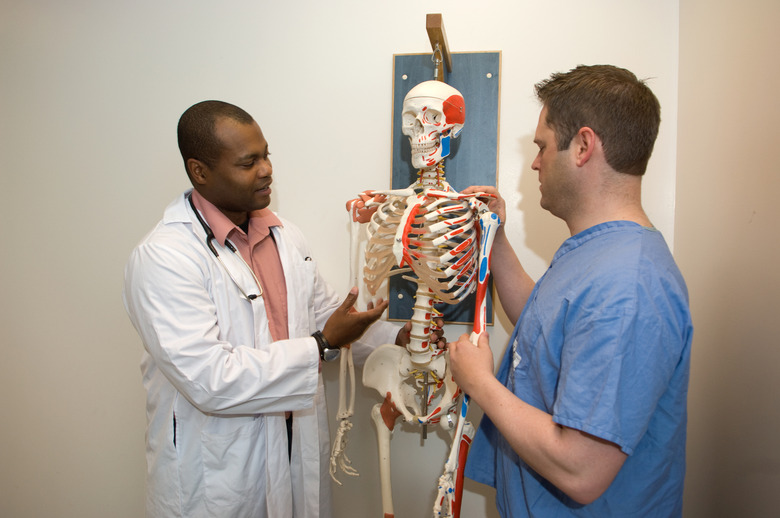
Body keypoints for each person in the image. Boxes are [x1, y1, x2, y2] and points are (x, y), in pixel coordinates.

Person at [123, 100, 412, 518]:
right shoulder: (164, 258)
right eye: (248, 162)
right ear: (199, 171)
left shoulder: (285, 237)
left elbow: (323, 314)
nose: (266, 170)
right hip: (218, 472)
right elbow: (209, 378)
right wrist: (320, 344)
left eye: (266, 155)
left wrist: (397, 339)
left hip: (294, 446)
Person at [448, 65, 693, 517]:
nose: (536, 162)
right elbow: (543, 329)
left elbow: (582, 471)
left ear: (583, 146)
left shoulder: (629, 287)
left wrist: (479, 382)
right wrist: (495, 239)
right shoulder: (596, 251)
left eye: (541, 146)